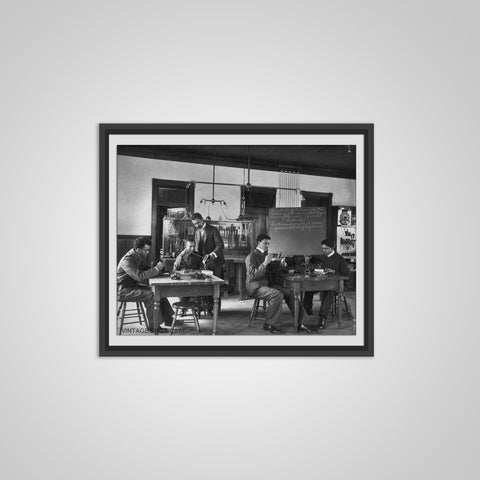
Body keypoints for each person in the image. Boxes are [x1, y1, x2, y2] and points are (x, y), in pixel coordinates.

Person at [117, 237, 174, 333]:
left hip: (131, 286)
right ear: (138, 249)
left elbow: (145, 268)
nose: (148, 253)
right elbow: (140, 276)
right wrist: (156, 269)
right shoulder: (127, 260)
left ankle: (169, 319)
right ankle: (154, 327)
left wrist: (160, 272)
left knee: (158, 291)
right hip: (123, 290)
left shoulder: (136, 255)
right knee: (151, 295)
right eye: (146, 250)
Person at [245, 234, 296, 334]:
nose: (267, 245)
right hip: (255, 287)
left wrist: (281, 264)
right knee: (277, 294)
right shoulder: (251, 256)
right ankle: (270, 324)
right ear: (259, 243)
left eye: (268, 243)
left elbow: (273, 271)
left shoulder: (266, 255)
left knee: (289, 292)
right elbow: (252, 276)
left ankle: (302, 320)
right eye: (265, 243)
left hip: (266, 284)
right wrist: (265, 263)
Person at [302, 238, 350, 330]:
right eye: (323, 248)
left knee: (329, 293)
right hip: (322, 284)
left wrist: (334, 272)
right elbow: (314, 262)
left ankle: (322, 318)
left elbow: (346, 274)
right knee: (308, 289)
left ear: (333, 248)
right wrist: (308, 259)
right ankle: (306, 313)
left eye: (326, 249)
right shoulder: (323, 257)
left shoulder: (340, 259)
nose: (324, 251)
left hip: (335, 286)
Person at [191, 212, 225, 314]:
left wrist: (212, 254)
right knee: (205, 287)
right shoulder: (197, 232)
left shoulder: (213, 230)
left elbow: (220, 246)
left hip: (215, 263)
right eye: (195, 224)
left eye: (198, 223)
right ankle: (207, 308)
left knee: (215, 286)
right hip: (204, 264)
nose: (197, 225)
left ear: (202, 219)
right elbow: (198, 249)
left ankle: (216, 310)